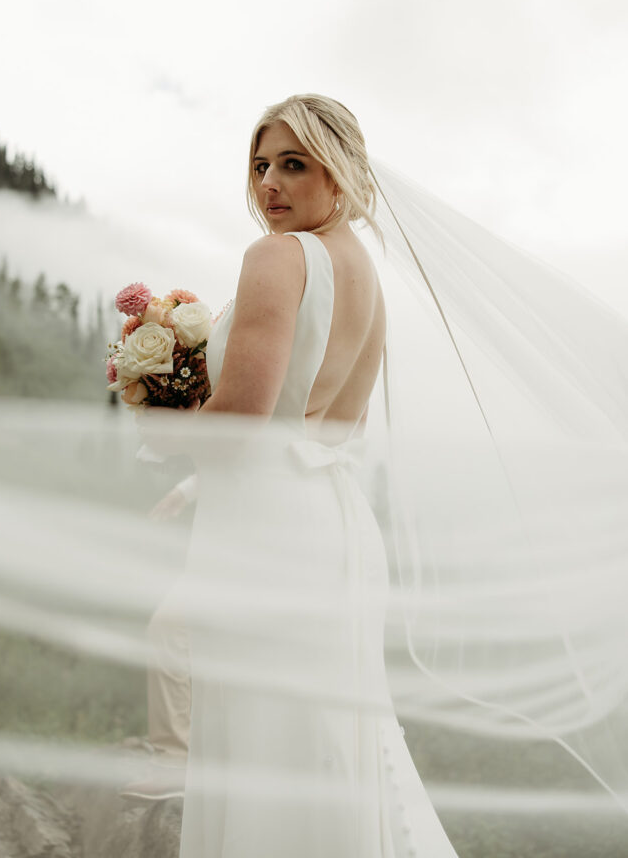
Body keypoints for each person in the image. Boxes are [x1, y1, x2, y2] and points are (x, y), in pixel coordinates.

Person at [146, 93, 460, 857]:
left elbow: (245, 417)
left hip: (262, 538)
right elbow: (329, 430)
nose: (269, 186)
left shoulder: (277, 257)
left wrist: (163, 431)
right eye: (259, 166)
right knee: (324, 746)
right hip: (330, 527)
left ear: (342, 172)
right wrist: (195, 478)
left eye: (293, 164)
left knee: (258, 749)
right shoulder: (371, 287)